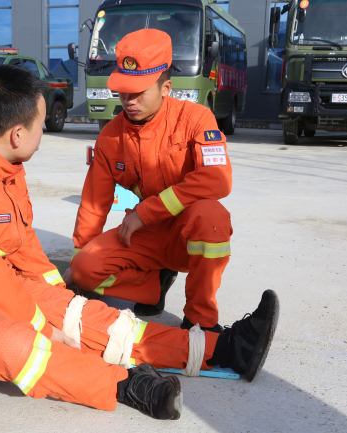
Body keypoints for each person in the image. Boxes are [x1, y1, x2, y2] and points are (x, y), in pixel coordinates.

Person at [0, 64, 277, 419]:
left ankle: (225, 349)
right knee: (9, 342)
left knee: (87, 316)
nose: (43, 134)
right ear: (17, 133)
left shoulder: (2, 165)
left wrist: (61, 299)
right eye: (41, 126)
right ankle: (124, 385)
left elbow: (21, 245)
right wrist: (46, 325)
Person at [65, 29, 278, 338]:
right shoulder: (110, 136)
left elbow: (219, 179)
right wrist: (78, 264)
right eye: (123, 91)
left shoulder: (196, 119)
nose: (128, 100)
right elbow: (94, 204)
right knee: (85, 269)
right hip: (145, 234)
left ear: (166, 87)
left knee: (212, 216)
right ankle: (153, 285)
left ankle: (200, 319)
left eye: (139, 92)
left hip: (186, 232)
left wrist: (146, 211)